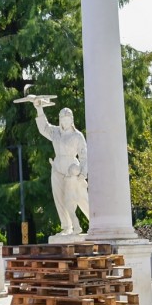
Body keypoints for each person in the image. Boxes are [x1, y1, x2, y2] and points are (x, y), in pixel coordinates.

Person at [28, 99, 91, 235]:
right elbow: (44, 128)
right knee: (60, 198)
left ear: (72, 120)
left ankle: (95, 222)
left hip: (72, 169)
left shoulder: (77, 135)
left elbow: (84, 155)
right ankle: (67, 226)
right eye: (63, 119)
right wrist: (39, 109)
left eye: (68, 119)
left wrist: (83, 173)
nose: (65, 122)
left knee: (80, 197)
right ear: (60, 120)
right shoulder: (55, 132)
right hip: (57, 168)